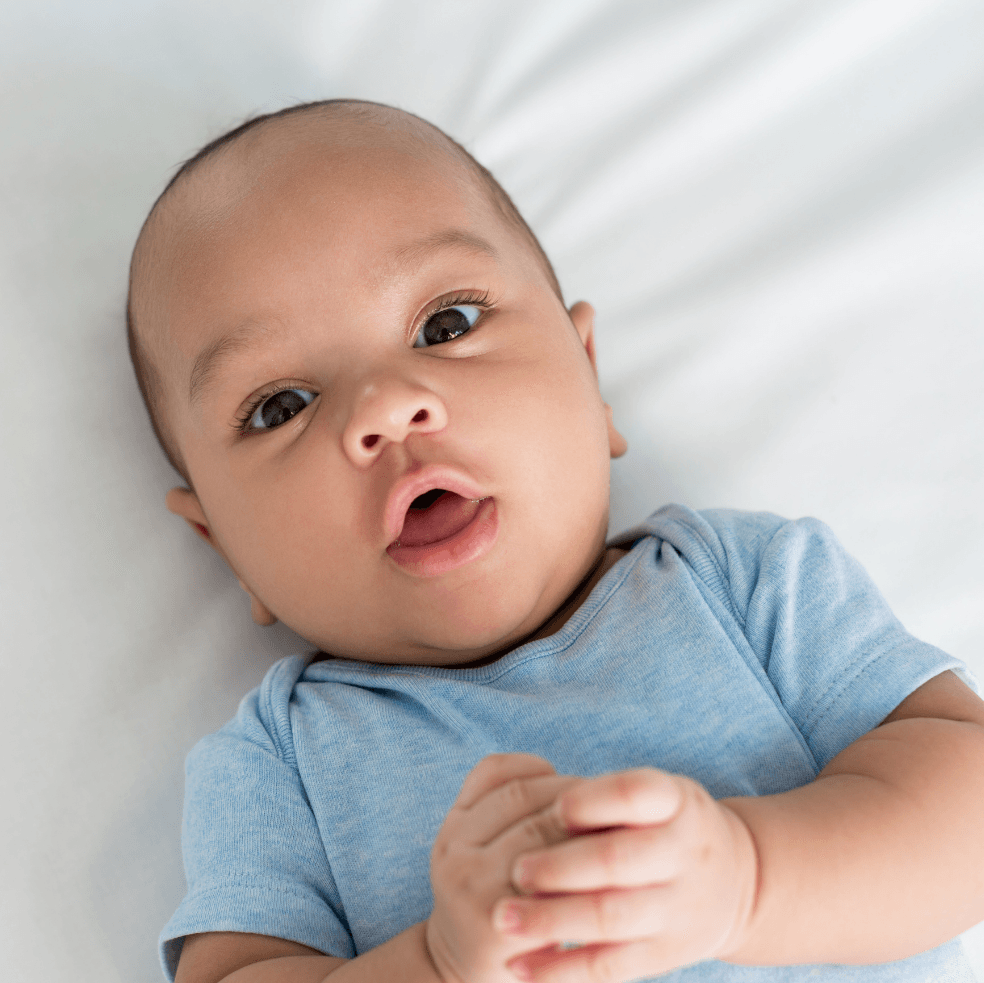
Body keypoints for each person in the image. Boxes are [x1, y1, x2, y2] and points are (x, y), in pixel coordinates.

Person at [127, 99, 984, 983]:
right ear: (223, 545)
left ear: (590, 377)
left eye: (447, 325)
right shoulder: (279, 763)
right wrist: (437, 963)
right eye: (282, 407)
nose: (384, 407)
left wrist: (750, 880)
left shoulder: (748, 585)